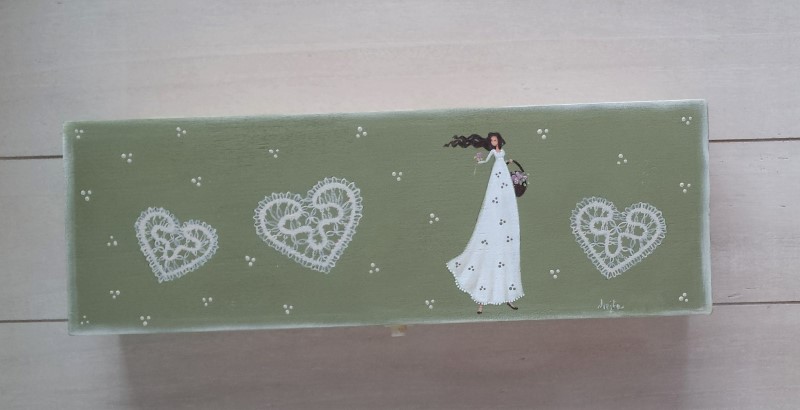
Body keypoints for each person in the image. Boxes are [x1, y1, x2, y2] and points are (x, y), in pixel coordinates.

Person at [443, 132, 523, 314]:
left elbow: (504, 161)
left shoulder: (501, 152)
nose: (493, 142)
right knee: (492, 202)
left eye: (495, 140)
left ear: (499, 140)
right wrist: (479, 161)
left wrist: (510, 163)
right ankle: (482, 299)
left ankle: (508, 296)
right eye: (491, 140)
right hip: (497, 178)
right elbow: (486, 161)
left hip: (505, 180)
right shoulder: (493, 154)